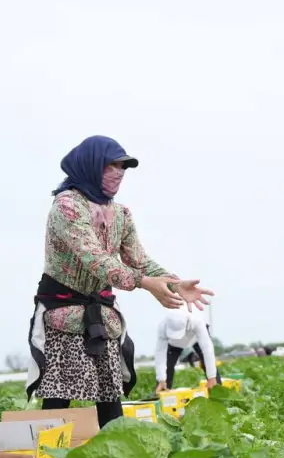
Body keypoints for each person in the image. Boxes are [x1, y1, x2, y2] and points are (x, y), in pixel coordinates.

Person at [26, 135, 212, 427]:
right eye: (111, 165)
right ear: (91, 165)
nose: (119, 172)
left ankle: (116, 455)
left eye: (123, 166)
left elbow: (139, 260)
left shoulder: (121, 214)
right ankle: (48, 456)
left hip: (101, 315)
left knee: (108, 393)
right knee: (59, 395)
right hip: (63, 310)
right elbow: (95, 258)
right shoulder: (68, 206)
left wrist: (174, 284)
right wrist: (143, 283)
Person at [155, 308, 218, 392]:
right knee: (167, 369)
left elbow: (207, 348)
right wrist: (161, 378)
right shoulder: (162, 326)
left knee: (208, 367)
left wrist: (212, 377)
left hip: (195, 339)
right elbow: (160, 352)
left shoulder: (197, 322)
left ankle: (217, 391)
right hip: (173, 343)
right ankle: (163, 396)